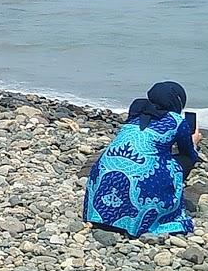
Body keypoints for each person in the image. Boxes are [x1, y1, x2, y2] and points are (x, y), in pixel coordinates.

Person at [83, 81, 200, 237]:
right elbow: (188, 153)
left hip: (104, 177)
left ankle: (103, 213)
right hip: (140, 179)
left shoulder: (137, 111)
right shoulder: (177, 121)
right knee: (182, 160)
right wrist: (194, 140)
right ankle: (163, 207)